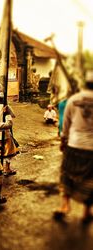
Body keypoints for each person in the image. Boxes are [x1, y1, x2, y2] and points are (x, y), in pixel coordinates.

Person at [53, 70, 93, 223]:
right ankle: (86, 211)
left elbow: (65, 124)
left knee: (67, 175)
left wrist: (63, 141)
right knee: (90, 179)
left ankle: (65, 206)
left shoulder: (74, 99)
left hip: (74, 144)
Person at [0, 92, 19, 176]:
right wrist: (7, 111)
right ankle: (7, 169)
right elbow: (13, 115)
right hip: (5, 132)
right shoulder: (6, 107)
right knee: (9, 152)